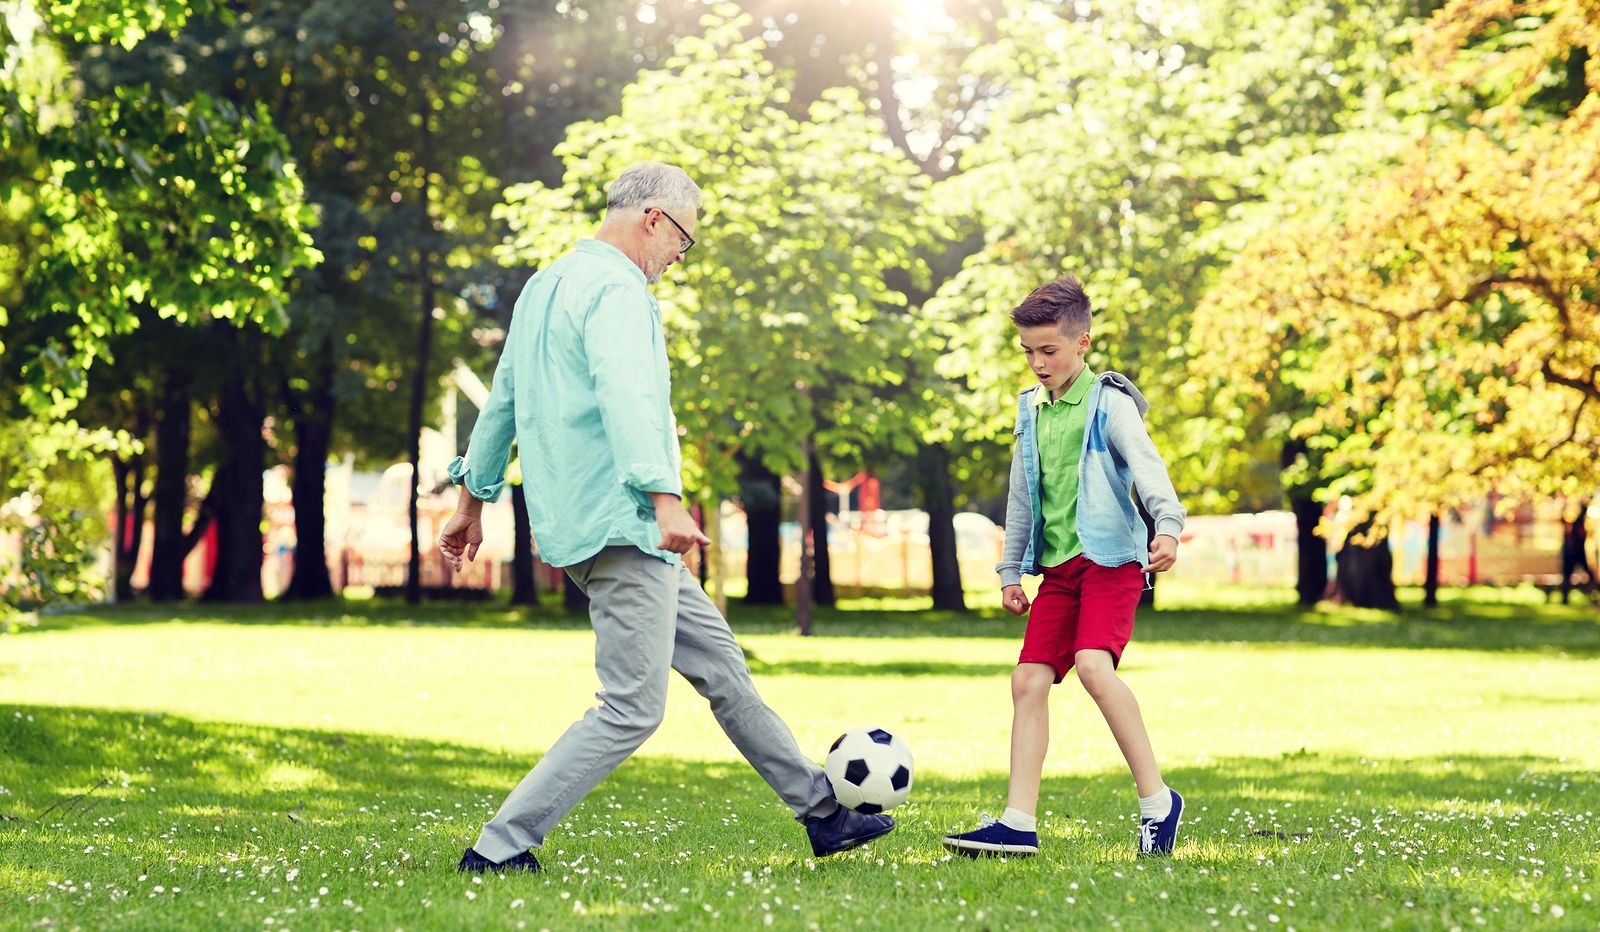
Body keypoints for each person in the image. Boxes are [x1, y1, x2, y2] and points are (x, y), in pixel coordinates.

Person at [438, 161, 892, 874]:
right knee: (631, 708)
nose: (679, 259)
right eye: (683, 241)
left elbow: (503, 402)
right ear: (653, 219)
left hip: (592, 521)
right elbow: (628, 397)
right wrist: (664, 498)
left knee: (723, 671)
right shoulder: (618, 290)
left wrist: (472, 499)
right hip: (625, 520)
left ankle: (822, 814)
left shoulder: (546, 284)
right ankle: (499, 848)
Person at [941, 275, 1188, 859]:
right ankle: (1017, 823)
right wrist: (1009, 571)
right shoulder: (1032, 409)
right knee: (1027, 680)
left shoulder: (1110, 403)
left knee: (1093, 665)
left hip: (1110, 562)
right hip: (1060, 570)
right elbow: (1023, 495)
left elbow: (1149, 470)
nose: (1037, 362)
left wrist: (1169, 529)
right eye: (1028, 351)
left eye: (1048, 350)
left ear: (1082, 343)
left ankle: (1158, 803)